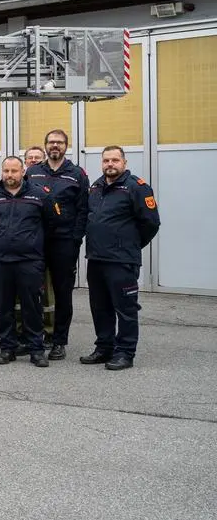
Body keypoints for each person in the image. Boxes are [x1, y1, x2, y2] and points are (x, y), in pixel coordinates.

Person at [81, 146, 160, 371]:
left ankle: (125, 352)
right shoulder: (96, 187)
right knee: (100, 307)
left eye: (115, 160)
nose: (110, 164)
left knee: (125, 308)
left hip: (122, 261)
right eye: (106, 160)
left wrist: (131, 244)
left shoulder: (137, 187)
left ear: (124, 162)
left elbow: (151, 223)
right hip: (96, 258)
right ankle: (104, 347)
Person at [0, 157, 57, 367]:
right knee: (4, 307)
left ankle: (36, 350)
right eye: (6, 171)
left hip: (29, 261)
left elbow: (51, 226)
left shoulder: (39, 195)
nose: (10, 175)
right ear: (1, 172)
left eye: (14, 171)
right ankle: (7, 348)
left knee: (32, 307)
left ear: (23, 172)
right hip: (2, 262)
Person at [26, 129, 89, 361]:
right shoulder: (32, 172)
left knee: (62, 294)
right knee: (33, 290)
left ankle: (59, 341)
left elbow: (84, 210)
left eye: (59, 143)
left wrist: (75, 239)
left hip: (64, 242)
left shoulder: (77, 174)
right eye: (51, 142)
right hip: (36, 241)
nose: (55, 146)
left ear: (66, 146)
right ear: (45, 146)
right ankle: (34, 338)